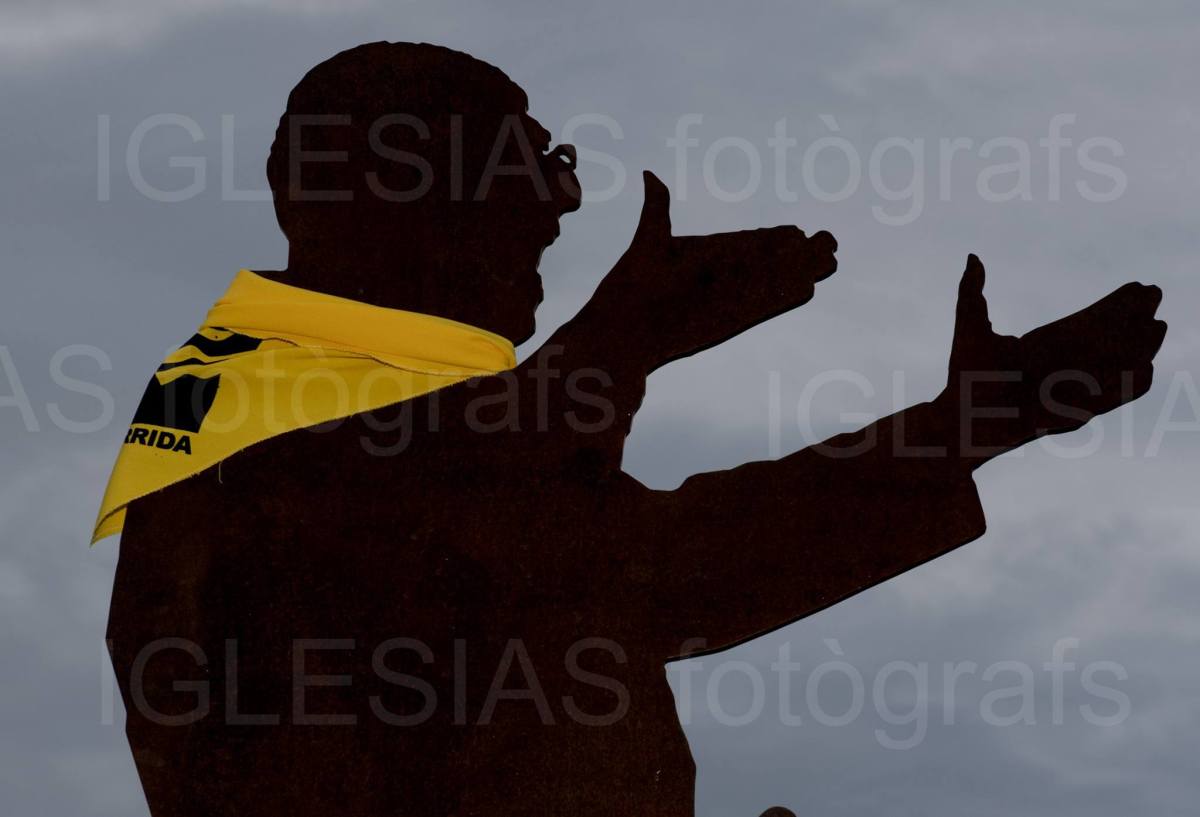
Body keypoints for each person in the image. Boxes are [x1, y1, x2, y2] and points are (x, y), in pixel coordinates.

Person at [102, 41, 1167, 817]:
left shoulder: (422, 442)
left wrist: (974, 423)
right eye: (530, 161)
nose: (560, 201)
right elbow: (404, 521)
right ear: (393, 188)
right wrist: (616, 344)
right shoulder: (227, 403)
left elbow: (659, 560)